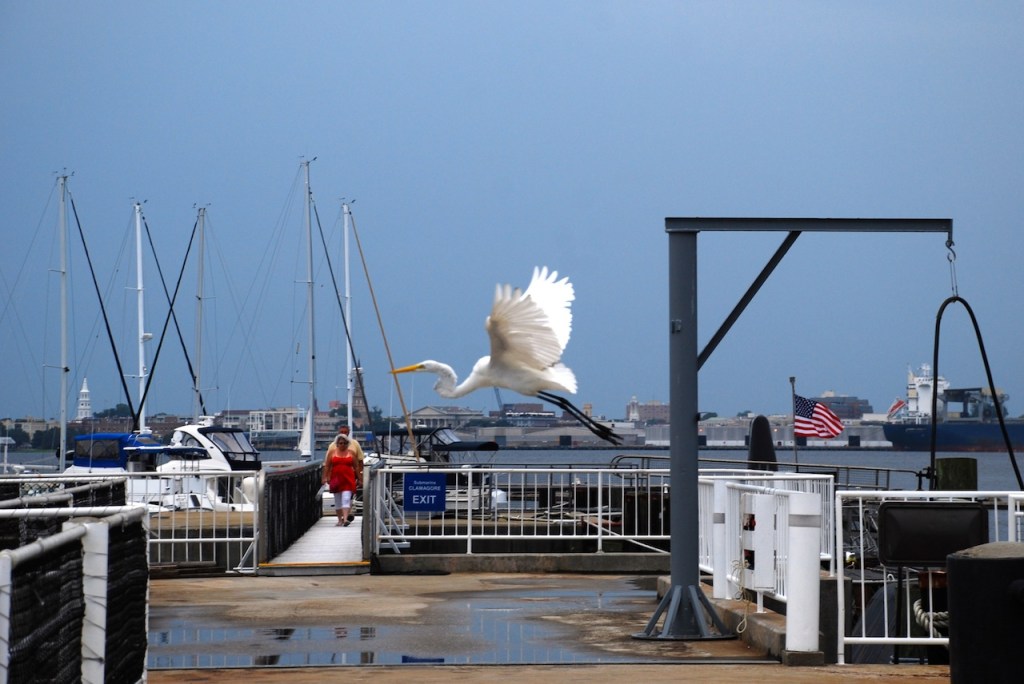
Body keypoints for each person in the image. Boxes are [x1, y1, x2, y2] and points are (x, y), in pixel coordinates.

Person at [322, 434, 362, 526]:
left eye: (344, 443)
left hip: (348, 479)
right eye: (340, 443)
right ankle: (340, 519)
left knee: (346, 498)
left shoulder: (351, 453)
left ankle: (345, 519)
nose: (342, 445)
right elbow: (327, 466)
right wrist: (325, 477)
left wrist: (360, 479)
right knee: (338, 501)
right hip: (336, 479)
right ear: (337, 444)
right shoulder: (332, 453)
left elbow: (356, 467)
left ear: (347, 444)